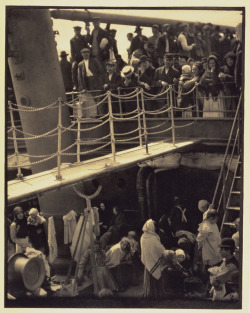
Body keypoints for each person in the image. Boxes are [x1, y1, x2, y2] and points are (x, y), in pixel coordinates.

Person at [140, 219, 166, 299]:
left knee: (149, 276)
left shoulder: (143, 237)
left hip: (148, 261)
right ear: (151, 227)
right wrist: (164, 251)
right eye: (154, 226)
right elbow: (160, 249)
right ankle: (156, 294)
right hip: (153, 260)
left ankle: (149, 293)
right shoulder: (153, 238)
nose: (155, 228)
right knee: (156, 275)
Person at [70, 26, 90, 90]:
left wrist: (88, 31)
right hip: (77, 58)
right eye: (76, 30)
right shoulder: (72, 40)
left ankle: (88, 84)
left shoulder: (83, 38)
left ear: (80, 31)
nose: (77, 32)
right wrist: (73, 60)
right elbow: (72, 50)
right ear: (74, 31)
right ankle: (75, 85)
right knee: (74, 69)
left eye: (78, 30)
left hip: (84, 56)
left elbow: (88, 39)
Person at [219, 52, 237, 117]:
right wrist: (220, 75)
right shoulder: (224, 68)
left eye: (231, 59)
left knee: (234, 105)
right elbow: (218, 73)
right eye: (228, 60)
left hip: (235, 90)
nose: (229, 61)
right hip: (226, 90)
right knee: (227, 105)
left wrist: (227, 76)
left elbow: (237, 78)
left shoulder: (236, 68)